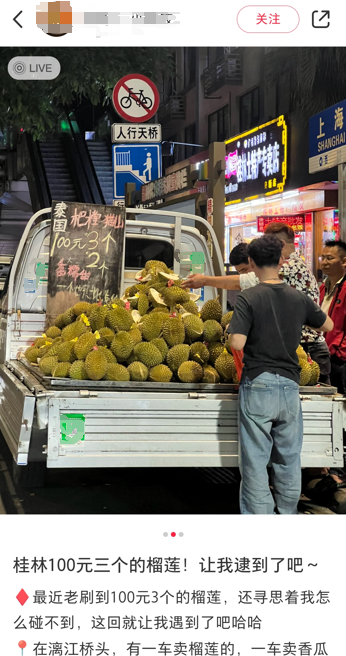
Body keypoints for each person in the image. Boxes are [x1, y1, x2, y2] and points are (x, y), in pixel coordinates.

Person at [226, 234, 333, 515]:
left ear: (250, 262)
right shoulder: (297, 297)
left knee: (255, 460)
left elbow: (236, 343)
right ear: (281, 260)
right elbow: (328, 325)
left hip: (258, 382)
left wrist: (233, 336)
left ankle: (260, 520)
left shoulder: (248, 297)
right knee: (288, 459)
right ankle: (287, 515)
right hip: (289, 385)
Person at [182, 222, 331, 383]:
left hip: (306, 350)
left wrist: (205, 280)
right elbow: (327, 325)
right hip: (292, 352)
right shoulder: (291, 274)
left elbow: (243, 283)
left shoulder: (290, 267)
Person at [319, 239, 346, 394]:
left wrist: (340, 350)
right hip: (325, 356)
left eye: (330, 258)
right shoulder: (323, 287)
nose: (324, 262)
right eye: (323, 258)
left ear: (344, 262)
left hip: (340, 359)